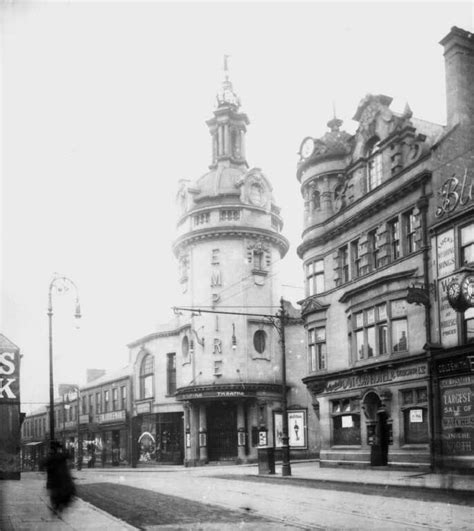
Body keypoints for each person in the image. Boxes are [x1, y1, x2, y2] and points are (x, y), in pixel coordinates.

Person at [45, 442, 76, 513]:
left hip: (54, 480)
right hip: (62, 479)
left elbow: (43, 463)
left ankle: (56, 506)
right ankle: (59, 506)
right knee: (63, 493)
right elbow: (69, 455)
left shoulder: (51, 458)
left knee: (55, 494)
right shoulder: (61, 456)